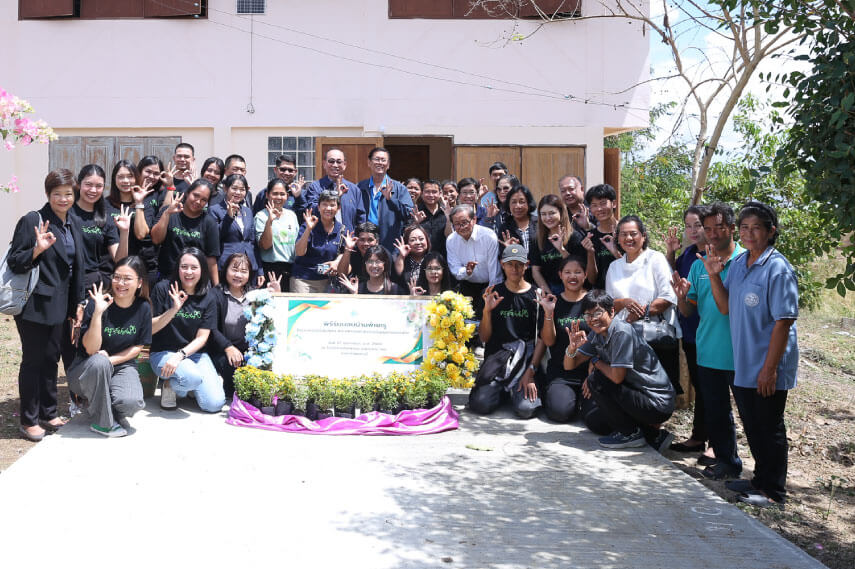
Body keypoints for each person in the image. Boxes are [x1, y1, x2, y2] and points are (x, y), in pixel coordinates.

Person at [702, 201, 798, 508]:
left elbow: (783, 322)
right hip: (744, 361)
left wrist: (769, 369)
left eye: (756, 228)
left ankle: (774, 492)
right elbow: (725, 306)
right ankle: (759, 480)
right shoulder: (741, 264)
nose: (749, 233)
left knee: (769, 426)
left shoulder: (778, 268)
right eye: (745, 228)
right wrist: (714, 275)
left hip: (768, 363)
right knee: (753, 425)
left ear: (771, 231)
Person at [8, 169, 85, 442]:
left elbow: (78, 268)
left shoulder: (73, 222)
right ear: (47, 194)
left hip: (61, 306)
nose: (63, 199)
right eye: (57, 194)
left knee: (52, 359)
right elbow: (15, 261)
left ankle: (48, 413)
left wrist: (78, 304)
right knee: (33, 361)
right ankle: (29, 420)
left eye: (68, 194)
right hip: (36, 305)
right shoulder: (34, 219)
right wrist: (36, 250)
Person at [671, 202, 744, 479]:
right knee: (716, 410)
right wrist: (681, 297)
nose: (712, 233)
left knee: (753, 416)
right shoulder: (697, 264)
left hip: (741, 352)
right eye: (708, 228)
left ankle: (766, 480)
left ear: (732, 228)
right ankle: (727, 462)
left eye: (718, 227)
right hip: (708, 349)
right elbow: (689, 310)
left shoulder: (745, 261)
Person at [564, 290, 676, 450]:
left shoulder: (621, 332)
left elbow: (617, 378)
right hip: (635, 394)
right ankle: (654, 436)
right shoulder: (597, 334)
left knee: (596, 379)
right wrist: (571, 348)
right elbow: (569, 365)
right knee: (595, 422)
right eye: (588, 315)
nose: (593, 319)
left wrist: (595, 361)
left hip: (656, 403)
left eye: (598, 313)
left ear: (611, 312)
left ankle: (631, 434)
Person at [517, 256, 609, 431]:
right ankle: (569, 400)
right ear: (560, 275)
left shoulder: (594, 302)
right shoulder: (553, 302)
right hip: (562, 372)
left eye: (577, 272)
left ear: (585, 275)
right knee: (559, 413)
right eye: (567, 272)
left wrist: (594, 372)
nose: (572, 276)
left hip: (591, 370)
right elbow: (548, 341)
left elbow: (604, 337)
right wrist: (549, 314)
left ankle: (583, 402)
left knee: (598, 419)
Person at [67, 256, 151, 437]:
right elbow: (91, 349)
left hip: (121, 366)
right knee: (99, 362)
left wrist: (110, 360)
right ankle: (103, 423)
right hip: (87, 370)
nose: (120, 283)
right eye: (117, 277)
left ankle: (103, 407)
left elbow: (138, 348)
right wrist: (98, 313)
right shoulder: (96, 303)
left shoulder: (143, 307)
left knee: (131, 403)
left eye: (127, 279)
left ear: (139, 283)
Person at [605, 214, 682, 393]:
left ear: (643, 236)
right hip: (624, 338)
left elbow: (669, 296)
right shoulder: (614, 267)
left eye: (633, 233)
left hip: (656, 337)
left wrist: (642, 311)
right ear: (618, 239)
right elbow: (608, 305)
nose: (628, 238)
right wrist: (624, 302)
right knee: (631, 390)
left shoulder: (656, 259)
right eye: (623, 234)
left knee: (660, 389)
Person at [468, 244, 543, 418]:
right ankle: (502, 391)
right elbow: (484, 337)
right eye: (510, 264)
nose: (514, 269)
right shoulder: (492, 293)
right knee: (480, 404)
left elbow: (542, 340)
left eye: (519, 264)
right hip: (497, 360)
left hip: (523, 361)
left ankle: (515, 390)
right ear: (502, 264)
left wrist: (531, 371)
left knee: (526, 409)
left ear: (527, 265)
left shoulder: (537, 296)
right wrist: (487, 311)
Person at [150, 247, 225, 412]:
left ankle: (184, 385)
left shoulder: (209, 296)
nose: (188, 272)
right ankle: (171, 384)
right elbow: (150, 329)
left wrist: (180, 355)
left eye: (194, 267)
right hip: (163, 353)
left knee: (214, 404)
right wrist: (174, 309)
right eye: (184, 267)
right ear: (177, 268)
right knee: (191, 377)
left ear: (202, 269)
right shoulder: (163, 289)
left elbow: (202, 338)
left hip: (194, 354)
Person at [665, 205, 713, 461]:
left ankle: (716, 442)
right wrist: (671, 253)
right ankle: (698, 437)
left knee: (713, 388)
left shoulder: (716, 254)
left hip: (713, 331)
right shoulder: (688, 254)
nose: (693, 231)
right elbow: (674, 277)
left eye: (698, 225)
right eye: (688, 226)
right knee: (700, 384)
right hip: (691, 329)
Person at [209, 253, 282, 399]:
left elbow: (272, 321)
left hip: (249, 351)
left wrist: (277, 295)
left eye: (243, 271)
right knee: (233, 380)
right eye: (234, 270)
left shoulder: (255, 294)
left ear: (249, 274)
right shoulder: (215, 294)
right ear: (225, 270)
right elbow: (211, 328)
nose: (238, 275)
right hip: (223, 350)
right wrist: (228, 347)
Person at [151, 178, 220, 285]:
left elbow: (211, 259)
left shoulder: (209, 223)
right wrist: (167, 214)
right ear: (188, 192)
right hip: (167, 278)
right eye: (195, 195)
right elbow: (156, 239)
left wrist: (216, 287)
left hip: (194, 281)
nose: (198, 201)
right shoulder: (169, 211)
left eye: (204, 200)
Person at [446, 204, 502, 317]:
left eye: (465, 222)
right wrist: (466, 271)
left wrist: (491, 293)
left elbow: (494, 271)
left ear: (474, 219)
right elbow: (455, 268)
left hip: (489, 286)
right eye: (457, 224)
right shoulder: (451, 240)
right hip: (466, 284)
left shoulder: (488, 236)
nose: (462, 227)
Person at [530, 194, 592, 295]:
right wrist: (548, 294)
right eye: (543, 214)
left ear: (561, 212)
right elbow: (535, 271)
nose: (548, 218)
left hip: (572, 288)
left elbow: (579, 269)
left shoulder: (574, 237)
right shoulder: (537, 239)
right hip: (548, 288)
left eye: (552, 213)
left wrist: (562, 250)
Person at [357, 147, 414, 252]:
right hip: (365, 245)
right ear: (369, 162)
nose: (380, 162)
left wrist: (391, 199)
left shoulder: (399, 188)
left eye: (383, 160)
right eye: (377, 159)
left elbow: (409, 215)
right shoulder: (360, 187)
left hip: (390, 245)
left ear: (388, 165)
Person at [292, 189, 344, 293]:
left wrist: (337, 262)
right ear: (318, 207)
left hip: (328, 281)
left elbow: (344, 252)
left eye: (332, 205)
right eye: (324, 204)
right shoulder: (308, 225)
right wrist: (308, 229)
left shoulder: (341, 229)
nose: (328, 208)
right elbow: (299, 252)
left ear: (338, 208)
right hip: (303, 280)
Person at [255, 178, 299, 291]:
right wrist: (269, 221)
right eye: (275, 194)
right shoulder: (261, 216)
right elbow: (265, 245)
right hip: (270, 270)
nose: (278, 197)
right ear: (267, 195)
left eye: (282, 194)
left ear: (287, 196)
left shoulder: (292, 215)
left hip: (291, 269)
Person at [209, 173, 259, 274]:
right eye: (234, 188)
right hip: (226, 265)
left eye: (242, 189)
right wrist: (228, 217)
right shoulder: (214, 210)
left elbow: (252, 242)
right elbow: (215, 237)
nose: (238, 192)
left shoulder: (247, 211)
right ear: (225, 188)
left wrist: (259, 270)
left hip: (248, 266)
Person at [304, 148, 363, 232]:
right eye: (331, 161)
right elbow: (312, 211)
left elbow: (361, 218)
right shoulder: (315, 187)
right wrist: (336, 196)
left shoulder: (354, 189)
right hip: (323, 238)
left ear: (345, 165)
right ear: (324, 164)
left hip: (348, 238)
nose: (335, 165)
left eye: (339, 162)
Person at [584, 184, 621, 289]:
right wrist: (590, 253)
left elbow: (636, 268)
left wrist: (616, 253)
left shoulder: (626, 232)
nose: (599, 209)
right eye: (594, 205)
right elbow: (592, 280)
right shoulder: (590, 237)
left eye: (603, 203)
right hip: (601, 293)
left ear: (614, 204)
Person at [339, 245, 406, 295]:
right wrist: (354, 294)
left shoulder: (396, 289)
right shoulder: (358, 288)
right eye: (370, 262)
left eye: (378, 261)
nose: (374, 265)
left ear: (385, 264)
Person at [412, 179, 448, 257]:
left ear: (440, 193)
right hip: (421, 257)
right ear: (422, 193)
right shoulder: (416, 211)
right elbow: (407, 235)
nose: (431, 195)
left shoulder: (446, 212)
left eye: (434, 192)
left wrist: (448, 218)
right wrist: (416, 223)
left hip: (443, 256)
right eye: (427, 192)